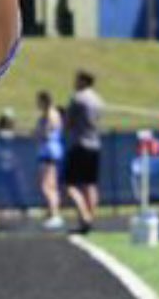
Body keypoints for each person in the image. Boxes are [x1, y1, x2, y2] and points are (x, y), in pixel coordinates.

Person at [64, 71, 104, 235]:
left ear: (83, 81)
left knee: (70, 186)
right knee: (90, 184)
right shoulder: (98, 100)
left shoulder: (78, 98)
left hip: (79, 144)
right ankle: (90, 219)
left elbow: (68, 122)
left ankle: (84, 216)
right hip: (94, 144)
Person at [33, 90, 64, 230]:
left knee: (46, 186)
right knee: (51, 185)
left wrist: (39, 132)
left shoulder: (51, 114)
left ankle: (55, 215)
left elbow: (47, 132)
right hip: (48, 152)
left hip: (49, 152)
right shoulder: (49, 114)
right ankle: (52, 213)